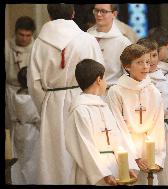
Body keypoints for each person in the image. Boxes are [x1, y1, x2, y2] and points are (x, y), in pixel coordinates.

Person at [27, 4, 104, 184]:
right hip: (83, 100)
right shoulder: (87, 39)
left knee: (55, 158)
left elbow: (34, 83)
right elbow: (99, 76)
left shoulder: (39, 43)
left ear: (49, 14)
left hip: (52, 104)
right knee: (83, 152)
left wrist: (46, 105)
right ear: (73, 13)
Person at [65, 59, 139, 185]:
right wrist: (103, 173)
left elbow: (117, 138)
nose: (106, 83)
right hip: (92, 172)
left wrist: (126, 165)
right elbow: (84, 145)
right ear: (99, 80)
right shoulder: (80, 110)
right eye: (105, 78)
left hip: (114, 167)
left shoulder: (103, 106)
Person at [106, 44, 166, 185]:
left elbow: (158, 127)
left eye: (147, 62)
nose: (146, 66)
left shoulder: (153, 92)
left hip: (148, 151)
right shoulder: (116, 92)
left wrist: (155, 159)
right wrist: (134, 158)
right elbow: (117, 127)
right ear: (127, 66)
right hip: (125, 152)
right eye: (139, 62)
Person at [137, 38, 168, 186]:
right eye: (146, 57)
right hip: (138, 136)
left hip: (163, 136)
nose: (151, 61)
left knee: (165, 177)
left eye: (154, 55)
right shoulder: (132, 83)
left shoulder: (167, 86)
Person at [87, 4, 132, 91]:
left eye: (103, 11)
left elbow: (129, 74)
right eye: (96, 10)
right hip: (88, 93)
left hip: (111, 93)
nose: (99, 14)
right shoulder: (86, 37)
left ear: (114, 14)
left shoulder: (123, 42)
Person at [5, 16, 35, 134]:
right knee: (12, 126)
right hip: (11, 90)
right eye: (21, 35)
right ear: (15, 32)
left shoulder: (36, 47)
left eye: (28, 35)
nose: (24, 39)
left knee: (30, 128)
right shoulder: (7, 46)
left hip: (30, 93)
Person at [11, 67, 40, 184]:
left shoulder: (15, 94)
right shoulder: (32, 97)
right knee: (32, 160)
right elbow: (37, 116)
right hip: (32, 130)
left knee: (21, 158)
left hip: (19, 129)